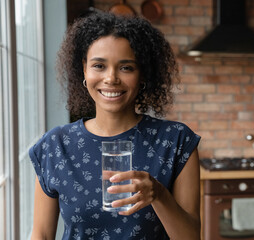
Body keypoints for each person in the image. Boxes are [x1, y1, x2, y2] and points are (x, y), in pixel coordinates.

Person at [29, 11, 201, 240]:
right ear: (84, 69)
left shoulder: (176, 141)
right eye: (99, 65)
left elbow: (191, 237)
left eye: (126, 67)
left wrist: (159, 195)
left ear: (142, 75)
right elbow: (40, 234)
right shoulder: (56, 145)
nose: (111, 78)